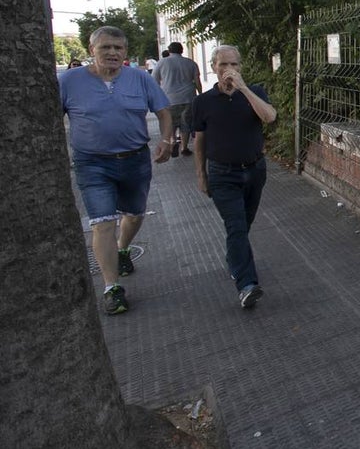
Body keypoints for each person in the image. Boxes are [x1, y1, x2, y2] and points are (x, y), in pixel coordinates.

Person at [58, 26, 174, 315]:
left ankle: (123, 249)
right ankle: (112, 288)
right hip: (92, 163)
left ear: (125, 52)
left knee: (134, 214)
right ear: (91, 49)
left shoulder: (139, 78)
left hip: (134, 159)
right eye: (105, 47)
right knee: (102, 222)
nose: (112, 53)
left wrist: (167, 141)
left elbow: (163, 111)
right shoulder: (69, 81)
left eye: (118, 48)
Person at [191, 45, 277, 309]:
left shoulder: (255, 92)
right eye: (223, 65)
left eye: (234, 65)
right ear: (213, 67)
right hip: (222, 174)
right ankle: (246, 284)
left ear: (241, 67)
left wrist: (244, 89)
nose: (229, 70)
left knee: (245, 224)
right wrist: (201, 176)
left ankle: (235, 259)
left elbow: (270, 117)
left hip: (254, 170)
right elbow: (199, 141)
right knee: (236, 226)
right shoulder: (203, 102)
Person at [152, 41, 202, 156]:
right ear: (182, 50)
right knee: (186, 123)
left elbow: (154, 80)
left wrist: (158, 94)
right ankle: (184, 147)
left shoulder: (161, 63)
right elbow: (197, 81)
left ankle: (173, 141)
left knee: (171, 122)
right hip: (188, 97)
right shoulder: (191, 63)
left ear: (169, 51)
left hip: (169, 98)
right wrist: (200, 94)